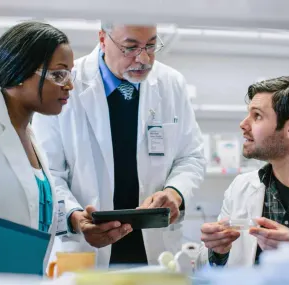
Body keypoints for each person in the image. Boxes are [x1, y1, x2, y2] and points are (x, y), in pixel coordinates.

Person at [32, 23, 206, 267]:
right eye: (130, 47)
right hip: (87, 246)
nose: (144, 58)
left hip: (155, 247)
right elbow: (48, 173)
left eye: (151, 46)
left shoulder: (171, 83)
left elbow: (192, 157)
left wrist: (175, 193)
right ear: (103, 39)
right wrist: (74, 217)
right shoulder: (66, 83)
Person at [0, 21, 74, 274]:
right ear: (21, 73)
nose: (69, 85)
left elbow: (32, 215)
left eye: (70, 74)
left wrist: (77, 223)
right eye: (59, 74)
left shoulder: (31, 138)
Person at [199, 76, 289, 267]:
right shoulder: (240, 189)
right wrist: (216, 252)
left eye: (257, 116)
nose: (243, 124)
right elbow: (211, 268)